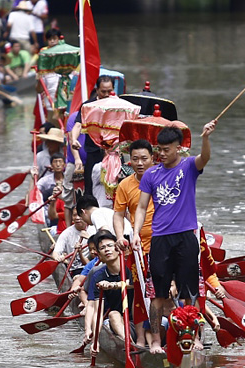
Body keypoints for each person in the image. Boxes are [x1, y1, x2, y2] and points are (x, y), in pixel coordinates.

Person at [131, 122, 217, 355]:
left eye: (166, 149)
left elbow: (205, 158)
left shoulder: (189, 166)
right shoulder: (151, 174)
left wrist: (206, 138)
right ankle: (157, 341)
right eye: (159, 149)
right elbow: (141, 207)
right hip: (160, 239)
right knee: (157, 295)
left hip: (185, 238)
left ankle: (194, 337)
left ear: (178, 148)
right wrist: (136, 233)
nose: (161, 154)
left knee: (190, 293)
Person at [68, 75, 114, 198]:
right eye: (103, 91)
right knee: (90, 191)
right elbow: (77, 126)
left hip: (113, 154)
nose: (106, 94)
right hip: (94, 153)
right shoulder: (88, 106)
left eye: (109, 91)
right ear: (97, 90)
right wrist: (74, 139)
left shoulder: (119, 105)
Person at [85, 231, 134, 342]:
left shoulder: (132, 269)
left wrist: (115, 285)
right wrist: (95, 339)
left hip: (138, 319)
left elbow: (138, 284)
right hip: (116, 322)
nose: (107, 250)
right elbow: (96, 309)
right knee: (113, 315)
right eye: (102, 248)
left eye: (110, 246)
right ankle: (131, 346)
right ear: (98, 254)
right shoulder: (98, 275)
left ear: (117, 249)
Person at [114, 139, 156, 256]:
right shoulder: (124, 185)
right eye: (135, 159)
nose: (140, 163)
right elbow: (118, 214)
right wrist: (120, 237)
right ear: (130, 160)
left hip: (162, 237)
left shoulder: (162, 178)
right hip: (138, 241)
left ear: (152, 158)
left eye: (144, 159)